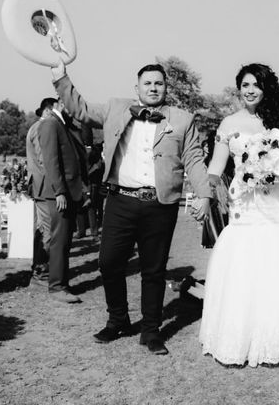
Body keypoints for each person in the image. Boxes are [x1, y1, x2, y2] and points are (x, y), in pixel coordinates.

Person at [50, 60, 212, 356]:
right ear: (136, 88)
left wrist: (204, 195)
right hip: (119, 201)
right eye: (147, 83)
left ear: (166, 87)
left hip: (159, 205)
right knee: (109, 262)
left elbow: (194, 158)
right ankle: (118, 320)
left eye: (159, 83)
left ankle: (151, 331)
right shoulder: (115, 108)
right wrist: (60, 76)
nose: (153, 87)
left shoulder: (183, 119)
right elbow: (80, 109)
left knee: (153, 270)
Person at [199, 63, 279, 367]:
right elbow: (216, 168)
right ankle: (243, 339)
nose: (250, 90)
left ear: (266, 88)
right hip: (247, 207)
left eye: (256, 84)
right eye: (245, 85)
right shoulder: (229, 123)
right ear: (239, 89)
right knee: (246, 270)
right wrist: (208, 192)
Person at [25, 96, 87, 303]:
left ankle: (58, 282)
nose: (76, 109)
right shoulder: (50, 124)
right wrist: (59, 190)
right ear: (59, 104)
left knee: (62, 239)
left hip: (62, 190)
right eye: (71, 105)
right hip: (54, 191)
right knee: (56, 239)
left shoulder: (61, 124)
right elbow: (50, 160)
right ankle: (56, 285)